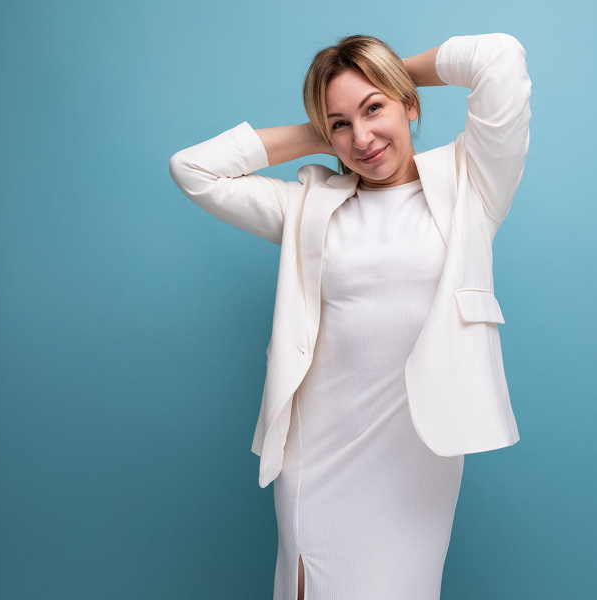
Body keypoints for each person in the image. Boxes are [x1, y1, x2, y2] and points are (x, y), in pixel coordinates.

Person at [169, 32, 532, 600]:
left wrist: (390, 74)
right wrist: (324, 133)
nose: (362, 138)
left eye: (375, 108)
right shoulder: (307, 205)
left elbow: (499, 57)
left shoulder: (472, 182)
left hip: (418, 456)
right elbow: (193, 169)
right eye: (341, 124)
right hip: (319, 455)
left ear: (409, 105)